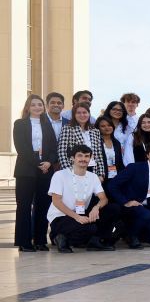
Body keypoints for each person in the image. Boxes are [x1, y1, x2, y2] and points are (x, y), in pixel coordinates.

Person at [45, 144, 116, 252]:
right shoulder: (60, 175)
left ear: (90, 158)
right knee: (90, 228)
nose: (83, 159)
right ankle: (60, 237)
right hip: (61, 216)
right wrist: (76, 217)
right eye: (80, 156)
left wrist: (96, 208)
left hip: (82, 213)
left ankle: (94, 241)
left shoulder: (93, 177)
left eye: (87, 156)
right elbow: (56, 201)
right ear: (72, 158)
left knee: (113, 209)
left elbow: (103, 199)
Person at [12, 94, 58, 252]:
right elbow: (21, 148)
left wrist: (49, 162)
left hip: (45, 170)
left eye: (40, 105)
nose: (37, 107)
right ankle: (24, 242)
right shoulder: (20, 124)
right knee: (24, 206)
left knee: (42, 206)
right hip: (26, 170)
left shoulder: (47, 125)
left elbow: (53, 147)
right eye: (34, 105)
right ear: (27, 107)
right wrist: (38, 163)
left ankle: (40, 240)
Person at [108, 145, 150, 248]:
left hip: (148, 208)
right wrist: (125, 202)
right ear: (147, 155)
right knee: (146, 215)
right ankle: (132, 236)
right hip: (131, 205)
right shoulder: (135, 167)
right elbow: (112, 185)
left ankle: (131, 232)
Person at [57, 103, 105, 179]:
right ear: (74, 115)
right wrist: (69, 171)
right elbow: (62, 152)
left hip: (93, 169)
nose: (82, 115)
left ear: (89, 114)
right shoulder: (67, 128)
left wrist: (101, 174)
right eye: (78, 113)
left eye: (84, 112)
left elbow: (99, 154)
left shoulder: (95, 131)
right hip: (75, 169)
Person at [95, 117, 125, 191]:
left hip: (115, 177)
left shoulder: (116, 143)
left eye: (109, 125)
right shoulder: (95, 142)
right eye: (103, 126)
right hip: (100, 178)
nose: (107, 128)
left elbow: (120, 162)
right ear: (98, 128)